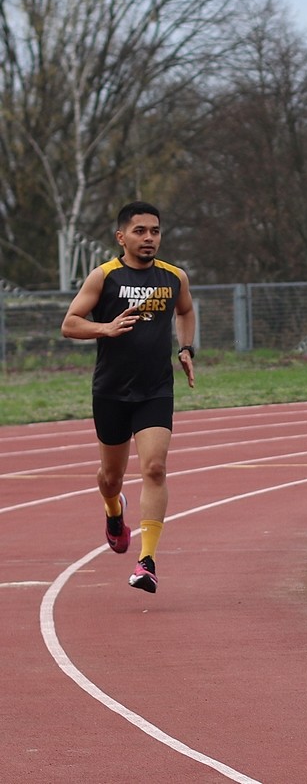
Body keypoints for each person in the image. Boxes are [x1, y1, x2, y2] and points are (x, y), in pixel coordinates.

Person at [61, 201, 196, 594]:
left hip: (155, 389)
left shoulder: (174, 278)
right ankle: (112, 509)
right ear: (122, 237)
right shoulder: (105, 277)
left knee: (154, 468)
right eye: (140, 231)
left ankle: (147, 561)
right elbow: (70, 324)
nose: (149, 237)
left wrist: (186, 349)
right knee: (111, 477)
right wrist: (105, 328)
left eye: (154, 230)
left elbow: (185, 312)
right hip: (112, 390)